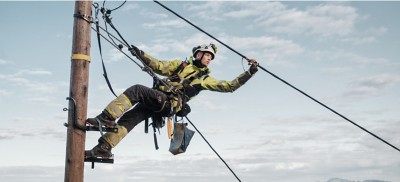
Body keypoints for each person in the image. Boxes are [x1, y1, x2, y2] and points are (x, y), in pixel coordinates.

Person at [84, 43, 258, 158]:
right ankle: (104, 148)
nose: (209, 59)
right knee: (128, 119)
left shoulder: (204, 79)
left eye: (211, 57)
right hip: (157, 100)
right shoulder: (180, 65)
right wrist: (141, 55)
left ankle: (106, 117)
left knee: (137, 90)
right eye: (207, 55)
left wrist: (249, 72)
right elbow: (158, 65)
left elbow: (229, 86)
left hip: (168, 103)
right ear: (198, 54)